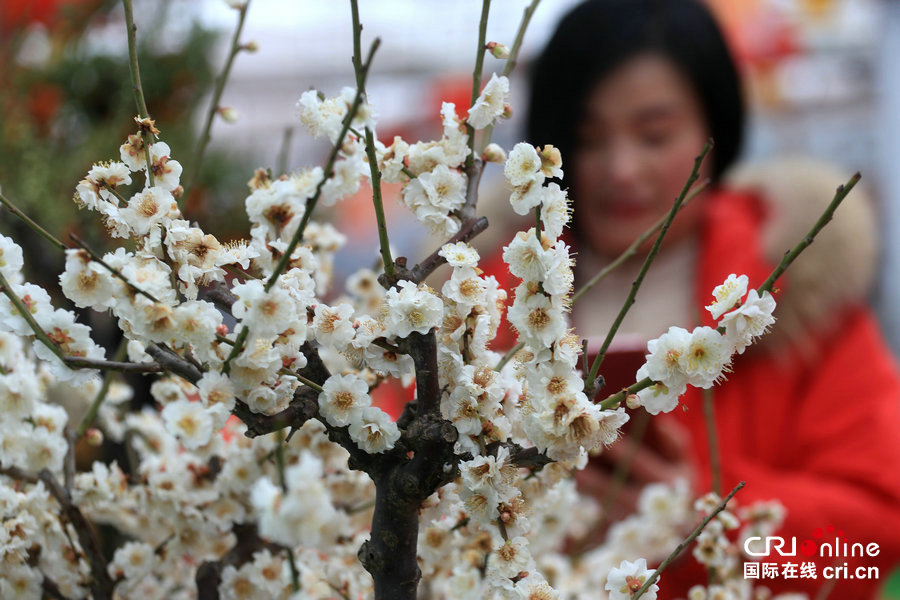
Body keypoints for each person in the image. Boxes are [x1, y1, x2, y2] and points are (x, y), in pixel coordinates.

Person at [521, 0, 900, 597]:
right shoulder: (482, 305)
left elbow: (866, 553)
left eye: (654, 135)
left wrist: (707, 525)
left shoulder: (795, 298)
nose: (621, 169)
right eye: (588, 139)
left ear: (715, 135)